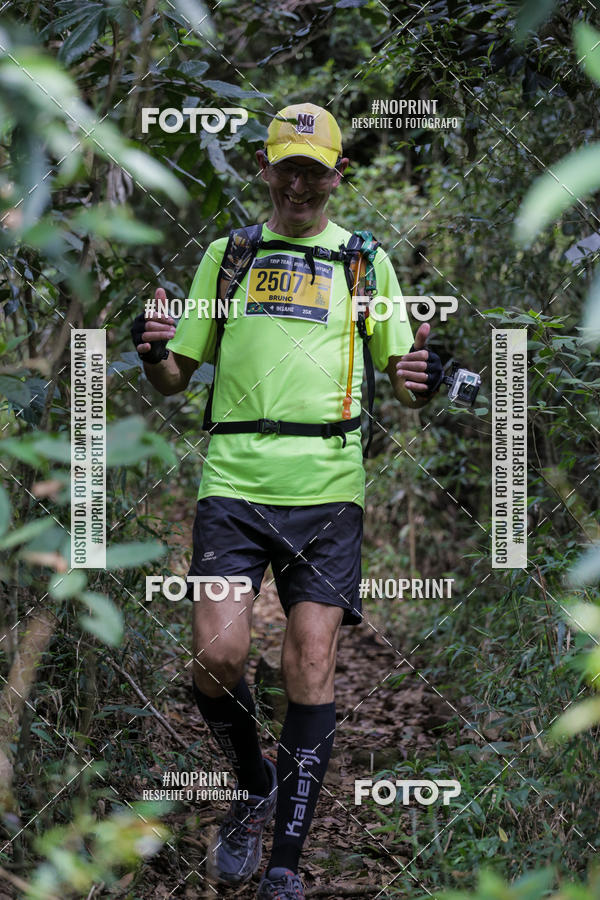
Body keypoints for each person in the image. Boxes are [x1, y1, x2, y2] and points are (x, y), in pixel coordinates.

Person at [131, 102, 443, 900]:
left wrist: (421, 382)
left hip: (330, 488)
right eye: (288, 166)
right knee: (218, 653)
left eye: (316, 168)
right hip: (233, 480)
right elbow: (176, 377)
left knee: (311, 660)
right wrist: (154, 354)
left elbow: (406, 379)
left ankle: (285, 864)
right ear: (265, 171)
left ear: (338, 176)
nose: (300, 182)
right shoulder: (228, 257)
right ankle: (252, 783)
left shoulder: (366, 262)